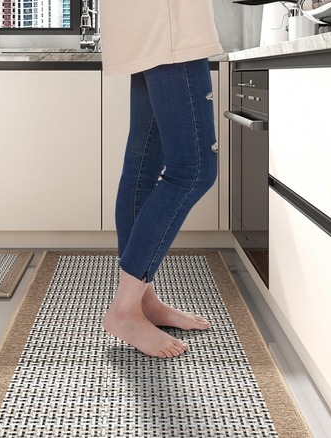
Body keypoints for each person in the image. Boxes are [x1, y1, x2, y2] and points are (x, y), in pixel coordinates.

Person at [100, 0, 224, 359]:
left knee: (143, 168)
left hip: (145, 27)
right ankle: (124, 309)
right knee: (194, 170)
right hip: (170, 25)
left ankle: (143, 302)